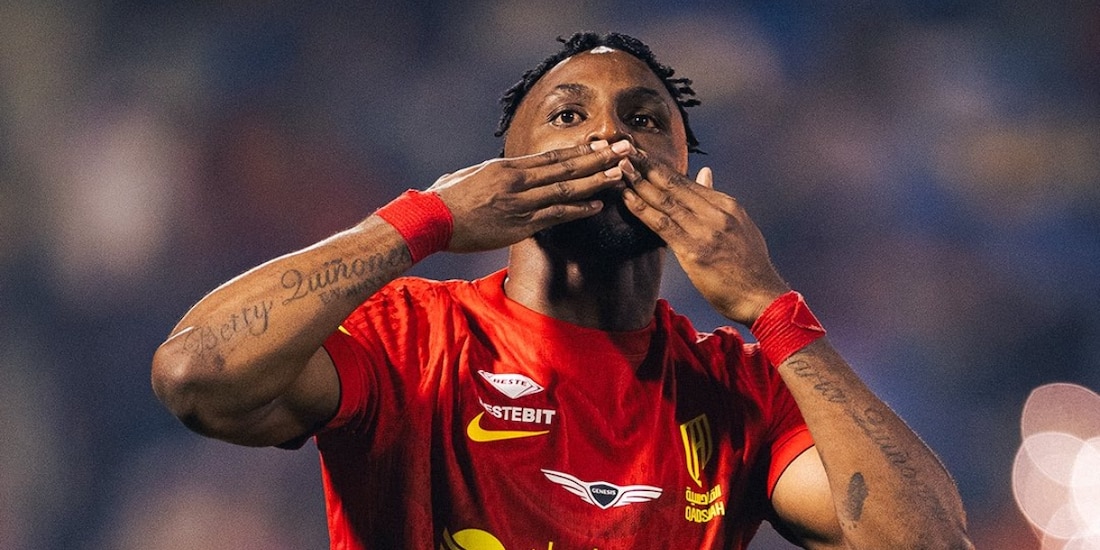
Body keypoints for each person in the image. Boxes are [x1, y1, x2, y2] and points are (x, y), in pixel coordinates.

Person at [152, 32, 972, 549]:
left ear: (690, 176)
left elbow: (927, 543)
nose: (610, 135)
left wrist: (772, 307)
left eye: (644, 120)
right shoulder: (409, 340)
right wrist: (424, 219)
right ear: (504, 173)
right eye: (568, 117)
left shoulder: (738, 388)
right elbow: (196, 375)